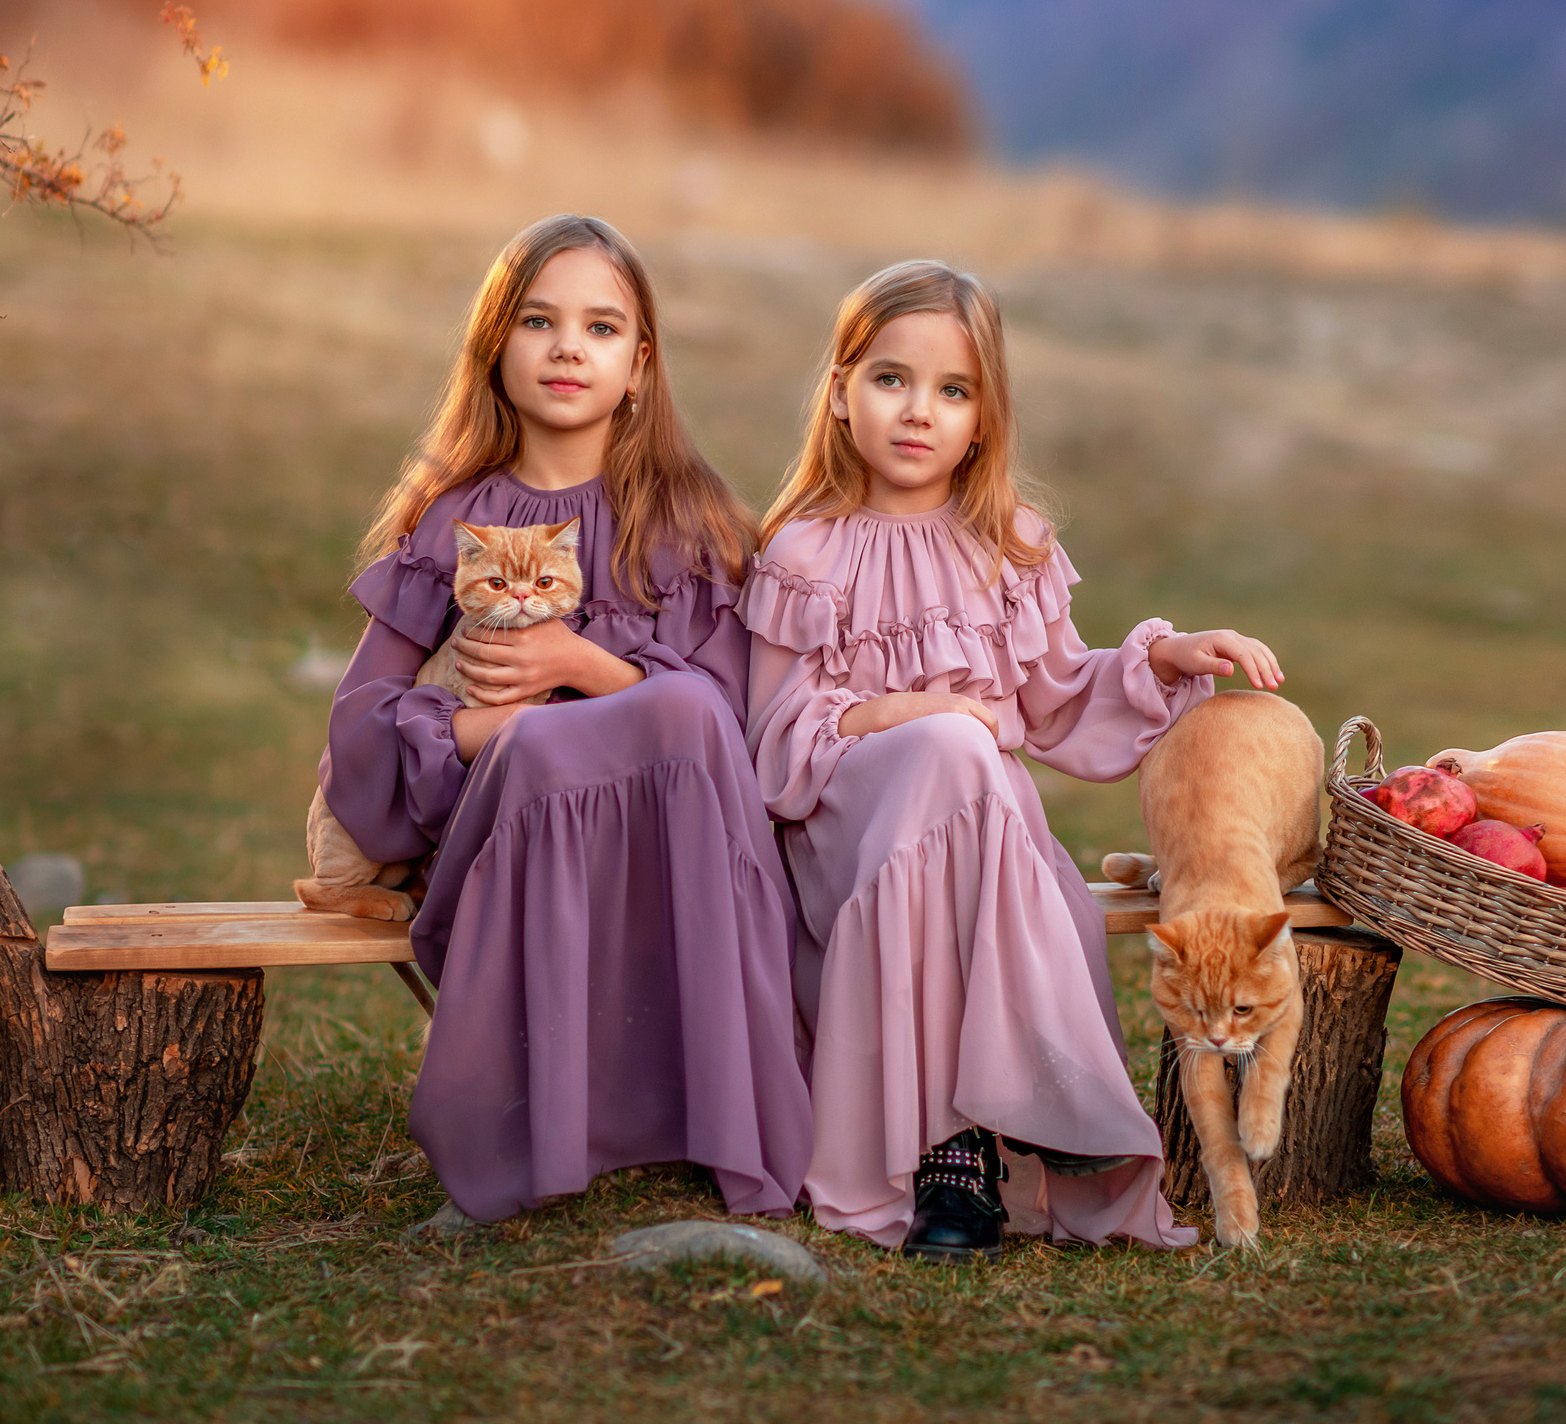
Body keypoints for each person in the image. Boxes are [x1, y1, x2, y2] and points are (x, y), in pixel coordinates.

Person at [740, 260, 1284, 1260]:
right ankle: (1018, 1110)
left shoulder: (1007, 547)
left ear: (984, 420)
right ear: (841, 392)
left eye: (953, 390)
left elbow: (1059, 701)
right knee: (952, 746)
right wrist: (914, 712)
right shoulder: (802, 554)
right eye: (891, 379)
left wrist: (1165, 654)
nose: (919, 411)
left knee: (967, 759)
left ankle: (969, 1150)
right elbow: (774, 745)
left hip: (986, 848)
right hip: (858, 846)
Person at [322, 214, 811, 1231]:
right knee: (549, 741)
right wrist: (479, 731)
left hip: (670, 853)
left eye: (599, 326)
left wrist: (583, 668)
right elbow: (361, 734)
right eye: (538, 321)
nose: (567, 348)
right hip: (512, 833)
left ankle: (698, 1112)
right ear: (495, 347)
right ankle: (527, 1129)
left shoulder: (689, 520)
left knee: (678, 705)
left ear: (640, 365)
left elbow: (731, 733)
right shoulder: (450, 518)